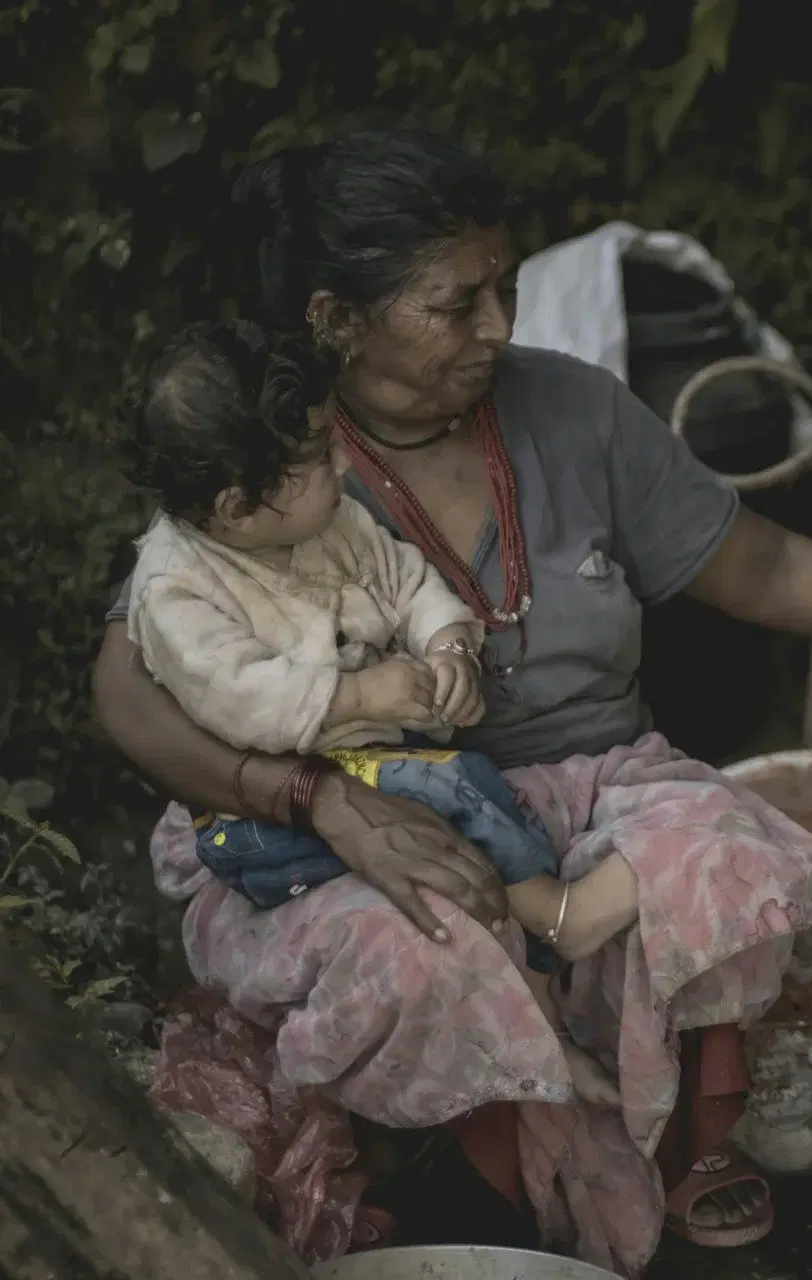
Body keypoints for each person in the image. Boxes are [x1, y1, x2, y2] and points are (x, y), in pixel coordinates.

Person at [90, 126, 812, 1272]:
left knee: (723, 854)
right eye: (456, 303)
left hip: (598, 785)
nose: (498, 326)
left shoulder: (573, 411)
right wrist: (313, 798)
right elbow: (126, 685)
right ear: (336, 320)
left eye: (506, 288)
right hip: (366, 805)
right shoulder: (273, 457)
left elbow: (762, 563)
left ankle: (686, 1138)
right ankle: (459, 1194)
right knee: (421, 949)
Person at [118, 319, 637, 1106]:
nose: (343, 461)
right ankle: (560, 914)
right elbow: (248, 700)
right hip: (262, 819)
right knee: (450, 793)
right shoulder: (176, 592)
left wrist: (447, 646)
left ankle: (546, 1026)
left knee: (462, 822)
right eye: (319, 455)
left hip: (367, 765)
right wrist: (364, 695)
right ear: (238, 506)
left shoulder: (327, 521)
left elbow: (405, 577)